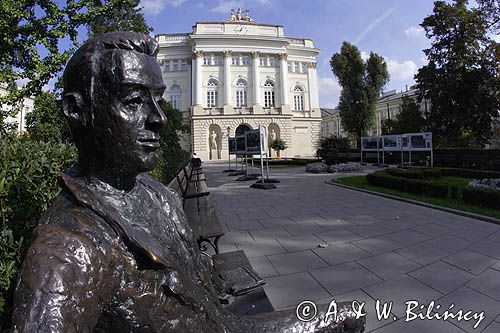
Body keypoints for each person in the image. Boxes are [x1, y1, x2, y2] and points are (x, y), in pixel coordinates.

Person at [11, 32, 364, 333]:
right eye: (134, 101)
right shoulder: (68, 249)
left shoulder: (155, 193)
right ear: (76, 110)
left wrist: (211, 271)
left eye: (159, 99)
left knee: (349, 314)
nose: (160, 118)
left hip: (222, 319)